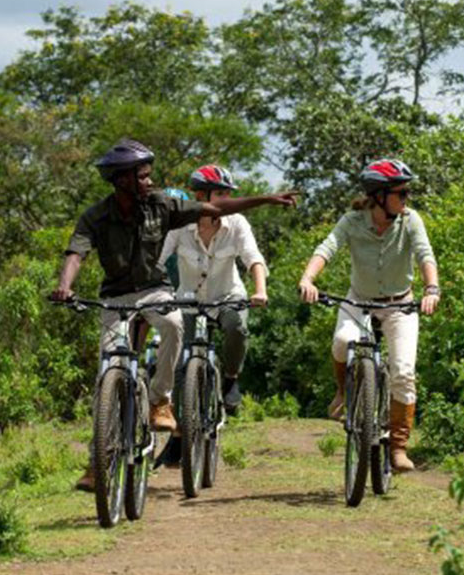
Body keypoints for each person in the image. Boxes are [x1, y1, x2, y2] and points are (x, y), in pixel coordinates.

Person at [52, 139, 295, 491]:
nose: (150, 182)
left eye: (150, 176)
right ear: (122, 180)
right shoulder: (95, 215)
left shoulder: (162, 205)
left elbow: (219, 210)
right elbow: (76, 253)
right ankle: (96, 462)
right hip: (115, 297)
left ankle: (160, 400)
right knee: (106, 373)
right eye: (143, 177)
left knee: (172, 322)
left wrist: (266, 199)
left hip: (155, 290)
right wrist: (65, 286)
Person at [297, 158, 440, 473]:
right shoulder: (352, 221)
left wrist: (432, 289)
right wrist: (308, 279)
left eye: (407, 193)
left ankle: (398, 447)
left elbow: (424, 254)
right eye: (400, 193)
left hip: (400, 304)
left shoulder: (410, 220)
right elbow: (327, 248)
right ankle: (344, 392)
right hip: (359, 300)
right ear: (378, 196)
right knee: (341, 342)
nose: (406, 199)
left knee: (402, 370)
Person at [159, 165, 268, 416]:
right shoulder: (179, 226)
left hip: (228, 295)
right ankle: (179, 435)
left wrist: (260, 290)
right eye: (220, 194)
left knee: (236, 328)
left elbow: (253, 258)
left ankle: (230, 377)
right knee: (179, 363)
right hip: (188, 299)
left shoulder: (237, 223)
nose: (227, 200)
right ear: (200, 196)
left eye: (228, 194)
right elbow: (159, 259)